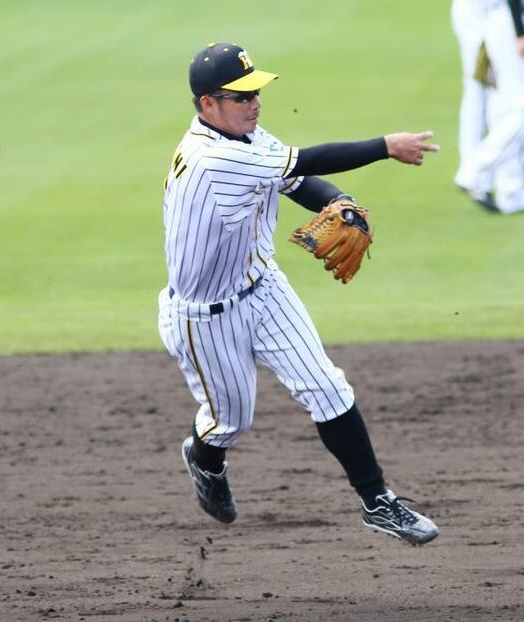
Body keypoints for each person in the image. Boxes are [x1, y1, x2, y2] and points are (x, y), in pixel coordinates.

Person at [158, 42, 440, 545]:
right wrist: (385, 145)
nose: (255, 102)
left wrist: (340, 200)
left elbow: (297, 178)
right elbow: (309, 157)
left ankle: (378, 501)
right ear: (207, 105)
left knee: (328, 387)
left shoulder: (242, 135)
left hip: (264, 290)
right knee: (230, 421)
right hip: (204, 317)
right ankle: (204, 457)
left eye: (256, 91)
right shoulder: (212, 157)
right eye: (241, 95)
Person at [453, 0, 524, 214]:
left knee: (506, 107)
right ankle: (474, 172)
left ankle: (513, 192)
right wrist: (521, 32)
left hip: (506, 20)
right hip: (514, 22)